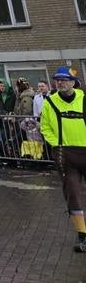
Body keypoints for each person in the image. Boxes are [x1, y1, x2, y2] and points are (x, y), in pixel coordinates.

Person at [40, 66, 86, 252]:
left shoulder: (84, 98)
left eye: (64, 79)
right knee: (73, 194)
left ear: (73, 82)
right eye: (57, 79)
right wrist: (57, 144)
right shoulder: (50, 101)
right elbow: (45, 127)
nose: (60, 82)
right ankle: (83, 235)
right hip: (65, 155)